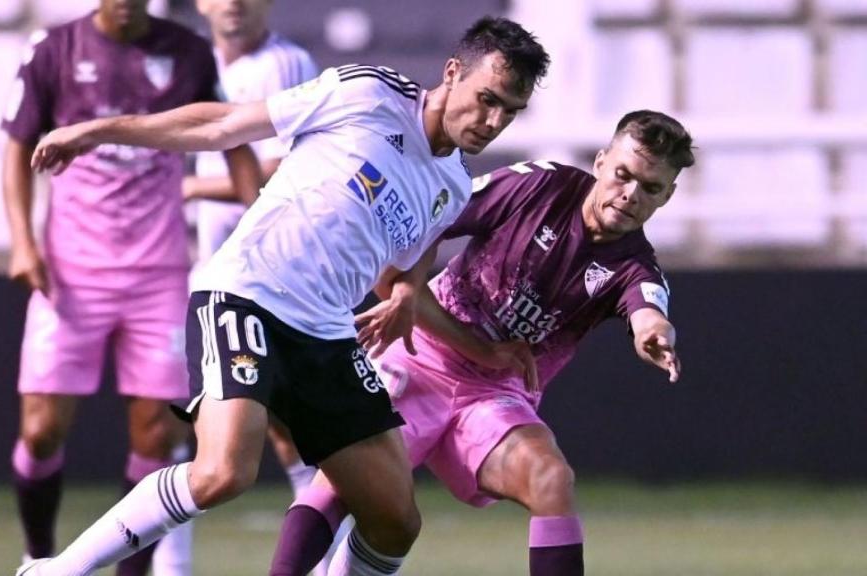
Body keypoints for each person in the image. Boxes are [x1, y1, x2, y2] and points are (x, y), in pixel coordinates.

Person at [18, 16, 550, 576]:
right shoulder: (367, 92)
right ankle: (59, 569)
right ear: (452, 72)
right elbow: (224, 125)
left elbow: (405, 270)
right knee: (222, 472)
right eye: (486, 99)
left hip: (326, 334)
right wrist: (98, 130)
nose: (493, 121)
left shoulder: (453, 186)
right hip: (247, 295)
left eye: (509, 110)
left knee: (396, 519)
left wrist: (421, 306)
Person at [268, 109, 693, 576]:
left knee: (551, 479)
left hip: (494, 395)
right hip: (420, 355)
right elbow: (435, 218)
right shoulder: (538, 185)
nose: (630, 194)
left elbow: (648, 310)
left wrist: (654, 333)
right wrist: (409, 290)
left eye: (650, 188)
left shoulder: (635, 265)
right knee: (340, 484)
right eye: (623, 174)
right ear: (600, 161)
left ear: (667, 195)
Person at [0, 1, 260, 575]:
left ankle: (129, 572)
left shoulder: (188, 53)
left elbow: (233, 138)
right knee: (41, 430)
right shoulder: (54, 51)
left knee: (154, 433)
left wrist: (261, 226)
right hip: (71, 274)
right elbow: (17, 147)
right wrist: (22, 241)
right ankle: (37, 556)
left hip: (157, 276)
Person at [152, 0, 320, 573]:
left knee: (285, 429)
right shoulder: (189, 61)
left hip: (265, 275)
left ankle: (323, 555)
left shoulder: (284, 64)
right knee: (174, 425)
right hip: (202, 271)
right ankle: (171, 567)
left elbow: (281, 172)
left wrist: (193, 188)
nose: (234, 4)